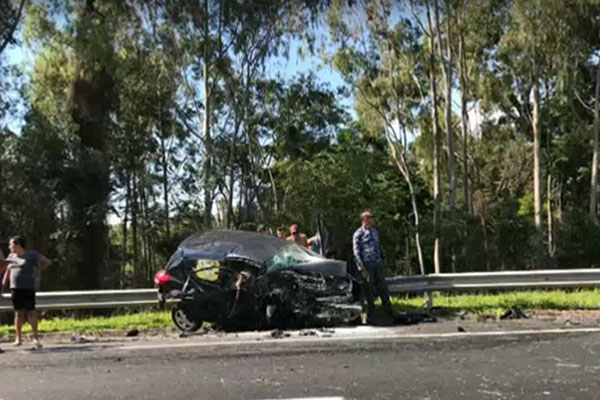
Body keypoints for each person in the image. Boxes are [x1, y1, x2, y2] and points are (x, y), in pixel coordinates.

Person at [352, 210, 399, 324]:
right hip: (367, 264)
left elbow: (378, 246)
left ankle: (388, 311)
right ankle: (370, 315)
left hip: (377, 262)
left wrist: (382, 259)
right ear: (365, 219)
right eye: (370, 218)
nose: (372, 220)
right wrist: (360, 265)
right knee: (369, 290)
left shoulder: (374, 231)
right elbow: (356, 251)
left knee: (382, 287)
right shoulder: (358, 234)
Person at [4, 236, 51, 348]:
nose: (9, 247)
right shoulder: (11, 256)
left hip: (28, 287)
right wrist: (3, 283)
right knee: (18, 313)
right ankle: (18, 338)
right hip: (15, 288)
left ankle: (35, 338)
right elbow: (7, 270)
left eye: (11, 244)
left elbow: (47, 262)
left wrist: (37, 271)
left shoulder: (31, 255)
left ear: (17, 244)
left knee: (31, 312)